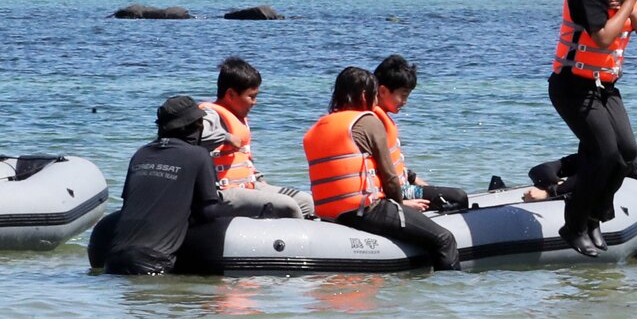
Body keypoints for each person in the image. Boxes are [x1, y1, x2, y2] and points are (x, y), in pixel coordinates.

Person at [548, 0, 637, 256]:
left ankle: (595, 215)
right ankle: (574, 225)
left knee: (627, 154)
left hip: (604, 87)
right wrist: (628, 2)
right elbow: (602, 38)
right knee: (604, 154)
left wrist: (630, 3)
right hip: (572, 86)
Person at [303, 67, 460, 271]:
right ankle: (450, 296)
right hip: (366, 210)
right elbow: (391, 179)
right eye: (374, 95)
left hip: (329, 212)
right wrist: (402, 206)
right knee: (444, 239)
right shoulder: (368, 121)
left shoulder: (315, 129)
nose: (376, 101)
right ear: (363, 95)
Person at [103, 96, 230, 275]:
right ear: (191, 127)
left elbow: (130, 204)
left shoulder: (141, 153)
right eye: (200, 122)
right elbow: (208, 213)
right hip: (152, 263)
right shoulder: (198, 155)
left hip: (113, 260)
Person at [199, 57, 313, 219]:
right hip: (224, 193)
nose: (255, 102)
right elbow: (195, 136)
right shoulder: (211, 114)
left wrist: (259, 178)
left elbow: (243, 159)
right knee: (288, 206)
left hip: (249, 185)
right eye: (251, 97)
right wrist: (227, 137)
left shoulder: (239, 118)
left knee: (305, 202)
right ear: (231, 94)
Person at [523, 147, 637, 259]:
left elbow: (594, 178)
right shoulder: (592, 159)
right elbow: (540, 170)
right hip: (626, 258)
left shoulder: (632, 159)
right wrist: (557, 184)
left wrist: (551, 192)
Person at [373, 54, 469, 212]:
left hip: (402, 187)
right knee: (459, 197)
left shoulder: (381, 118)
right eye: (403, 95)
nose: (405, 102)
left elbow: (392, 165)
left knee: (448, 194)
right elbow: (376, 172)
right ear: (383, 91)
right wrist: (400, 204)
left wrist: (416, 180)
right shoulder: (373, 122)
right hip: (396, 193)